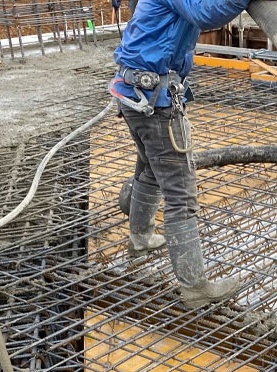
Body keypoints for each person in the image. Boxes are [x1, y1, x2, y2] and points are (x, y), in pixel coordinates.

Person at [110, 0, 258, 308]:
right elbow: (205, 13)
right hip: (153, 101)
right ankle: (195, 289)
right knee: (180, 195)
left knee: (151, 169)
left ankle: (140, 239)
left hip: (134, 93)